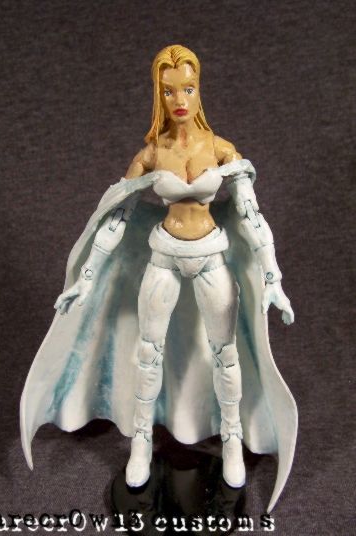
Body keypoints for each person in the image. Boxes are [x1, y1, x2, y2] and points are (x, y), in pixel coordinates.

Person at [21, 45, 297, 513]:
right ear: (159, 96)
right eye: (169, 91)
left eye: (188, 88)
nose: (180, 100)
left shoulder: (221, 150)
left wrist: (272, 278)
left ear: (199, 89)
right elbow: (116, 218)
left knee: (225, 353)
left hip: (210, 257)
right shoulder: (151, 154)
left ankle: (232, 439)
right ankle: (141, 444)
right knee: (148, 352)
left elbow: (252, 217)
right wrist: (86, 277)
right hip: (164, 257)